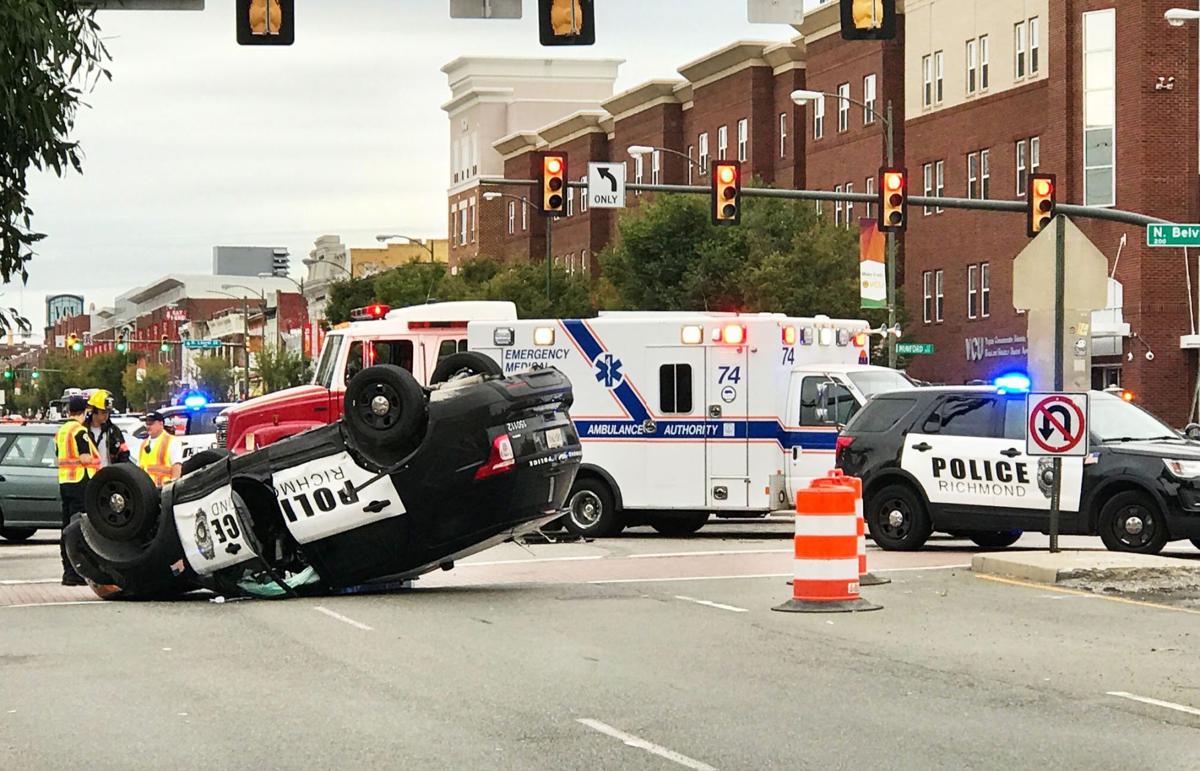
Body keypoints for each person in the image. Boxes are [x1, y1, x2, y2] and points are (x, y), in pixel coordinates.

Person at [55, 395, 100, 586]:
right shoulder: (80, 431)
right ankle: (78, 570)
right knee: (80, 527)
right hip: (80, 482)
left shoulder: (62, 431)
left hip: (65, 482)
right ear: (86, 411)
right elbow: (85, 459)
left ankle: (68, 571)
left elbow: (59, 456)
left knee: (66, 528)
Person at [85, 390, 130, 466]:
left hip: (108, 475)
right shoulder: (83, 430)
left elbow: (124, 453)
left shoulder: (113, 431)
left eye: (108, 412)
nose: (106, 415)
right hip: (90, 476)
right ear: (94, 411)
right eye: (103, 412)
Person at [138, 411, 183, 486]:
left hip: (163, 489)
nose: (148, 426)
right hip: (146, 491)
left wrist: (173, 488)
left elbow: (177, 467)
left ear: (161, 423)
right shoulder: (143, 444)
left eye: (151, 423)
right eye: (147, 424)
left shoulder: (171, 441)